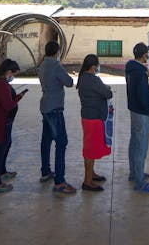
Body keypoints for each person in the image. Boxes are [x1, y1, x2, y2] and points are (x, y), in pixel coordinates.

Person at [38, 40, 76, 194]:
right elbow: (69, 82)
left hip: (45, 106)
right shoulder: (56, 65)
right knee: (61, 142)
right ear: (57, 52)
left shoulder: (42, 65)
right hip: (55, 108)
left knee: (46, 140)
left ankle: (45, 171)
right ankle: (60, 182)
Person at [0, 59, 24, 194]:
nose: (13, 77)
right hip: (1, 122)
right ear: (8, 72)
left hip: (5, 121)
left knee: (6, 145)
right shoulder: (1, 84)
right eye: (13, 74)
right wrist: (17, 98)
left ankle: (2, 171)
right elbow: (8, 105)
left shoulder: (0, 82)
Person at [126, 41, 149, 193]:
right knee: (141, 146)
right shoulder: (140, 72)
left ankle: (134, 172)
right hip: (141, 112)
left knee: (134, 142)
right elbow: (143, 95)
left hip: (134, 109)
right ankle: (140, 182)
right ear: (144, 55)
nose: (148, 56)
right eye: (147, 53)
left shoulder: (131, 68)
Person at [77, 54, 113, 192]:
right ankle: (87, 181)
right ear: (93, 66)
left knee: (89, 147)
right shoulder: (94, 80)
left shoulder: (82, 78)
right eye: (97, 65)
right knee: (90, 150)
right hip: (94, 118)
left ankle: (91, 174)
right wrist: (106, 88)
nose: (98, 67)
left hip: (87, 116)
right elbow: (108, 94)